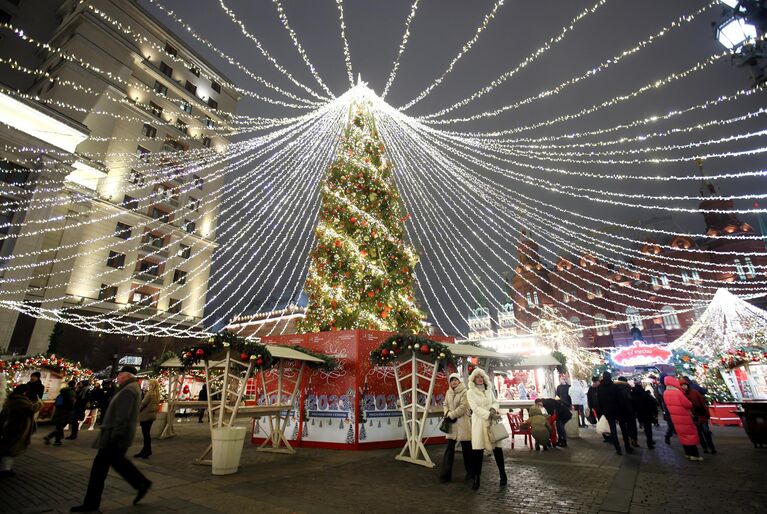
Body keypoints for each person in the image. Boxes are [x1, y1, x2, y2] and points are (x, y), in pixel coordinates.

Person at [70, 366, 152, 512]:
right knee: (118, 464)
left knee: (99, 470)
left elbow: (122, 416)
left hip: (113, 436)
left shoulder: (128, 390)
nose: (117, 378)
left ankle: (91, 503)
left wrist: (115, 436)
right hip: (116, 435)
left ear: (126, 375)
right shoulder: (131, 388)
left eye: (119, 375)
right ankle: (141, 483)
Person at [466, 367, 507, 490]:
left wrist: (493, 409)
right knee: (477, 452)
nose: (479, 379)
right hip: (479, 423)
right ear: (473, 379)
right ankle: (476, 478)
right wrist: (489, 414)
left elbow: (495, 402)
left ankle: (503, 474)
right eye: (477, 377)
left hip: (492, 423)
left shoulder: (489, 390)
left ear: (484, 378)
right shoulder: (470, 392)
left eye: (481, 377)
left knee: (498, 450)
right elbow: (475, 408)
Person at [0, 385, 40, 477]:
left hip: (12, 427)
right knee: (11, 449)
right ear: (24, 392)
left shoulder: (13, 399)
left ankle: (6, 468)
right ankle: (4, 470)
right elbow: (30, 409)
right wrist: (39, 403)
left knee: (10, 448)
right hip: (16, 428)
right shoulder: (19, 401)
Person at [439, 373, 472, 482]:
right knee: (449, 450)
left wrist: (451, 415)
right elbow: (445, 404)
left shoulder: (465, 392)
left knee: (467, 450)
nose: (454, 382)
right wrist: (447, 412)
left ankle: (471, 473)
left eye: (456, 380)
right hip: (451, 424)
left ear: (459, 381)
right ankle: (445, 475)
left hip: (463, 423)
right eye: (452, 380)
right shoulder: (448, 392)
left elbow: (463, 407)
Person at [662, 376, 701, 461]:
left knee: (682, 435)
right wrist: (690, 403)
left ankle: (687, 453)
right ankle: (695, 455)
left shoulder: (665, 393)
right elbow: (687, 404)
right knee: (690, 435)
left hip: (675, 418)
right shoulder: (677, 392)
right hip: (684, 416)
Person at [597, 372, 633, 455]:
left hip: (608, 412)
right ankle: (627, 447)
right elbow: (619, 398)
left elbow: (599, 401)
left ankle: (618, 448)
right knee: (623, 429)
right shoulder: (614, 386)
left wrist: (604, 411)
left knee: (613, 430)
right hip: (618, 410)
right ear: (610, 377)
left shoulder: (600, 388)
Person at [679, 377, 716, 454]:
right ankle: (705, 448)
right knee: (699, 433)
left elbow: (702, 404)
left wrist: (707, 414)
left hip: (701, 415)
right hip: (693, 417)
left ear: (687, 385)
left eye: (685, 385)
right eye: (682, 385)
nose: (684, 387)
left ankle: (711, 447)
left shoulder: (695, 392)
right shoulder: (682, 395)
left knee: (706, 432)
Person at [44, 380, 76, 446]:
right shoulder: (72, 393)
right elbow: (71, 404)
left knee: (59, 427)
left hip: (59, 411)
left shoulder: (62, 393)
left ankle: (56, 440)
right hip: (66, 412)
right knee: (60, 427)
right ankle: (51, 438)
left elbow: (57, 403)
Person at [135, 379, 160, 459]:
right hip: (151, 416)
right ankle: (145, 451)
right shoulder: (157, 394)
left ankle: (147, 451)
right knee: (147, 434)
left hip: (146, 416)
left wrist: (137, 411)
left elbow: (143, 404)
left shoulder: (150, 393)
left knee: (146, 435)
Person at [631, 381, 657, 449]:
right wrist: (655, 413)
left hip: (640, 414)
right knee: (648, 428)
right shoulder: (644, 394)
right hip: (647, 413)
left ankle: (650, 441)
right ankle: (650, 442)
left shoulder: (633, 396)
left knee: (646, 427)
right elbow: (653, 403)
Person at [615, 377, 638, 447]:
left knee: (623, 429)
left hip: (620, 412)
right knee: (632, 426)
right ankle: (633, 439)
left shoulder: (615, 390)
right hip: (630, 411)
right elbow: (632, 401)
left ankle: (627, 444)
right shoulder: (628, 389)